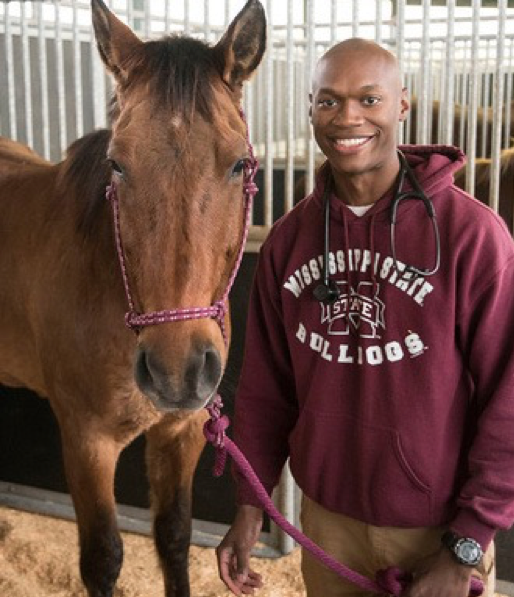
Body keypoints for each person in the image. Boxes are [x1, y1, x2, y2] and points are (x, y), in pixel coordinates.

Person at [216, 38, 514, 597]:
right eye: (328, 101)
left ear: (403, 104)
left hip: (437, 529)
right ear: (309, 108)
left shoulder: (472, 237)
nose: (347, 117)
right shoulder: (288, 241)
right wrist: (251, 503)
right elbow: (266, 387)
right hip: (328, 524)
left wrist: (467, 543)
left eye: (368, 99)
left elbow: (509, 393)